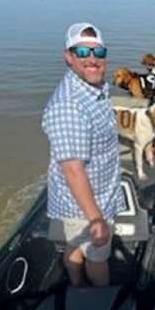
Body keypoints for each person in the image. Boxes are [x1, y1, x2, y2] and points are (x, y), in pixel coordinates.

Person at [41, 22, 125, 287]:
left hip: (101, 191)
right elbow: (72, 170)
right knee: (97, 257)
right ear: (68, 56)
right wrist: (96, 219)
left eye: (98, 53)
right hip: (85, 204)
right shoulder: (69, 107)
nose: (92, 59)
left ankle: (76, 285)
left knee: (77, 247)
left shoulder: (93, 88)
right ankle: (101, 301)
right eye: (82, 52)